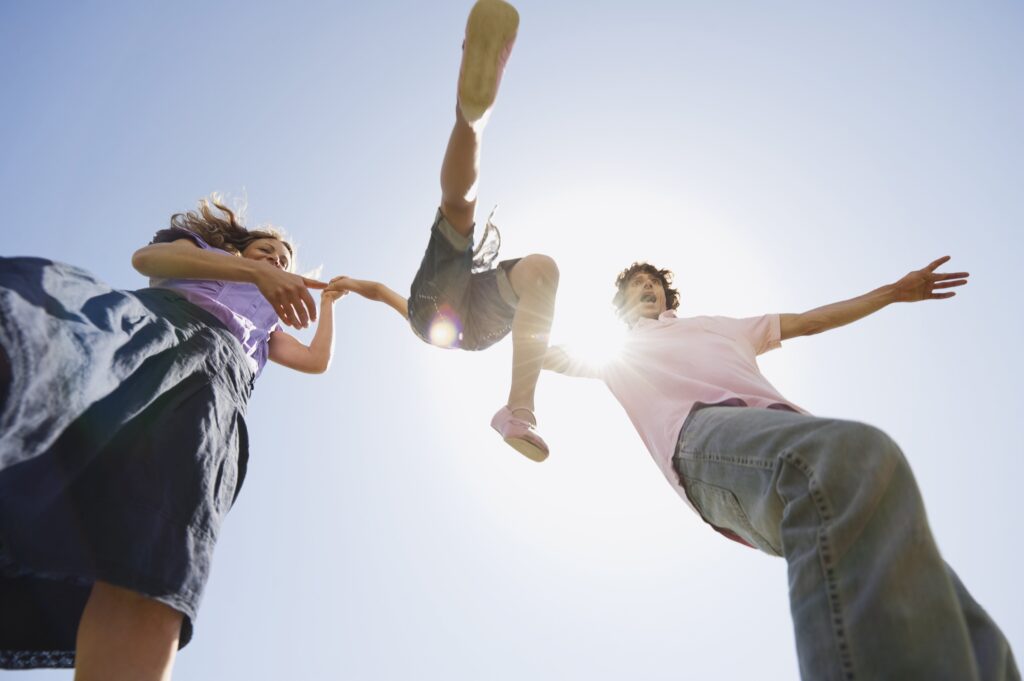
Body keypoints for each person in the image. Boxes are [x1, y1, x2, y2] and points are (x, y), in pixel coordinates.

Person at [544, 258, 1019, 680]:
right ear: (620, 303)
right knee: (852, 457)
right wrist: (483, 309)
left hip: (785, 434)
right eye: (635, 285)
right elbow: (540, 352)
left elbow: (810, 322)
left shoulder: (720, 327)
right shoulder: (613, 354)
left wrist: (892, 293)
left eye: (653, 282)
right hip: (702, 439)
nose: (647, 287)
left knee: (963, 619)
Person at [0, 196, 340, 679]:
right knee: (36, 340)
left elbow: (316, 361)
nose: (277, 261)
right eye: (267, 251)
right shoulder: (205, 253)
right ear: (243, 247)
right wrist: (255, 274)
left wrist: (327, 304)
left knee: (154, 551)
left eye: (284, 261)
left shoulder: (267, 327)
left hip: (216, 391)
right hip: (161, 325)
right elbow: (147, 261)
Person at [326, 0, 560, 463]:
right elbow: (379, 292)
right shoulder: (426, 315)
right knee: (480, 228)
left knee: (522, 258)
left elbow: (378, 292)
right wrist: (352, 285)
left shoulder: (423, 315)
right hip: (476, 327)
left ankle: (470, 120)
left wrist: (350, 285)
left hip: (466, 320)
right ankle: (519, 410)